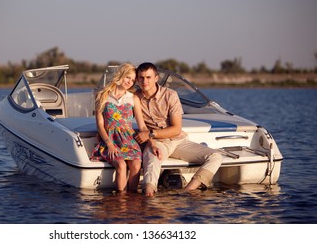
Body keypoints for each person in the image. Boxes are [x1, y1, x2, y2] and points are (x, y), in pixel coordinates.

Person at [134, 62, 223, 197]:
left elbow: (176, 129)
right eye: (141, 78)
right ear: (137, 79)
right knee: (152, 160)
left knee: (215, 156)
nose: (144, 81)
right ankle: (149, 199)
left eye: (148, 77)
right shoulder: (135, 98)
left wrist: (150, 133)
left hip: (177, 141)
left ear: (156, 78)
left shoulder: (170, 95)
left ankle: (187, 192)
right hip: (156, 143)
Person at [90, 63, 151, 192]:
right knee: (121, 165)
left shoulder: (133, 98)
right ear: (121, 75)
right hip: (110, 140)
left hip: (129, 140)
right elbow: (100, 125)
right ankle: (121, 202)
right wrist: (109, 144)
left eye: (133, 80)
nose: (130, 82)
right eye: (128, 77)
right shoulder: (102, 96)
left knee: (135, 165)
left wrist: (153, 144)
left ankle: (132, 200)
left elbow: (142, 126)